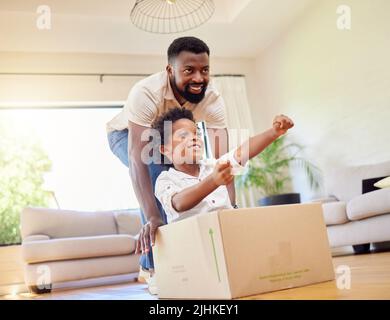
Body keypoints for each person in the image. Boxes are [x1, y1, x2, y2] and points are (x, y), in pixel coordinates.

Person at [106, 37, 233, 292]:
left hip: (171, 137)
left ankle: (192, 260)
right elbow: (137, 159)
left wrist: (232, 205)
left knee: (197, 176)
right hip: (125, 136)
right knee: (158, 173)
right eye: (189, 70)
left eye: (204, 70)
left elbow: (223, 163)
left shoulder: (213, 100)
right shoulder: (146, 93)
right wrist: (153, 216)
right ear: (170, 70)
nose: (199, 78)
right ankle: (152, 266)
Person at [152, 107, 294, 223]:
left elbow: (241, 153)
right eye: (183, 136)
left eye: (197, 134)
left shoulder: (213, 165)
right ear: (166, 150)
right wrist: (213, 180)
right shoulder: (165, 180)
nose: (194, 138)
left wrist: (274, 132)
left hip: (230, 231)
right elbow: (178, 203)